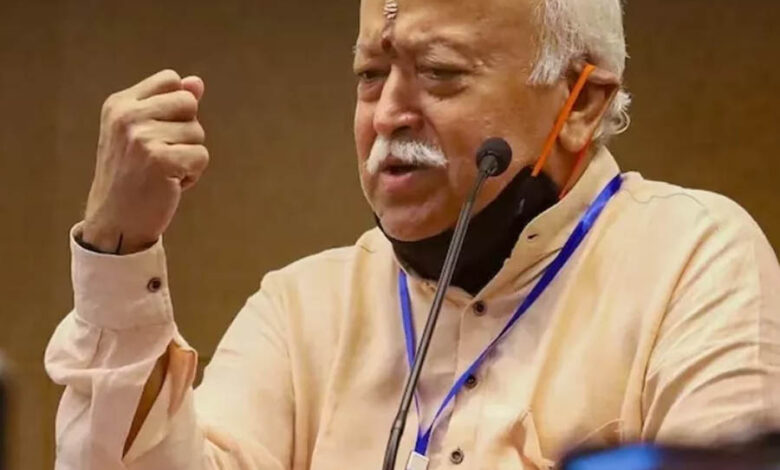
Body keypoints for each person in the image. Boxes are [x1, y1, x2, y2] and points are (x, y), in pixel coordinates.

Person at [45, 0, 780, 469]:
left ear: (581, 102)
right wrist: (119, 250)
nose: (389, 114)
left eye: (439, 72)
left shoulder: (691, 259)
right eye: (370, 74)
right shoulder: (304, 308)